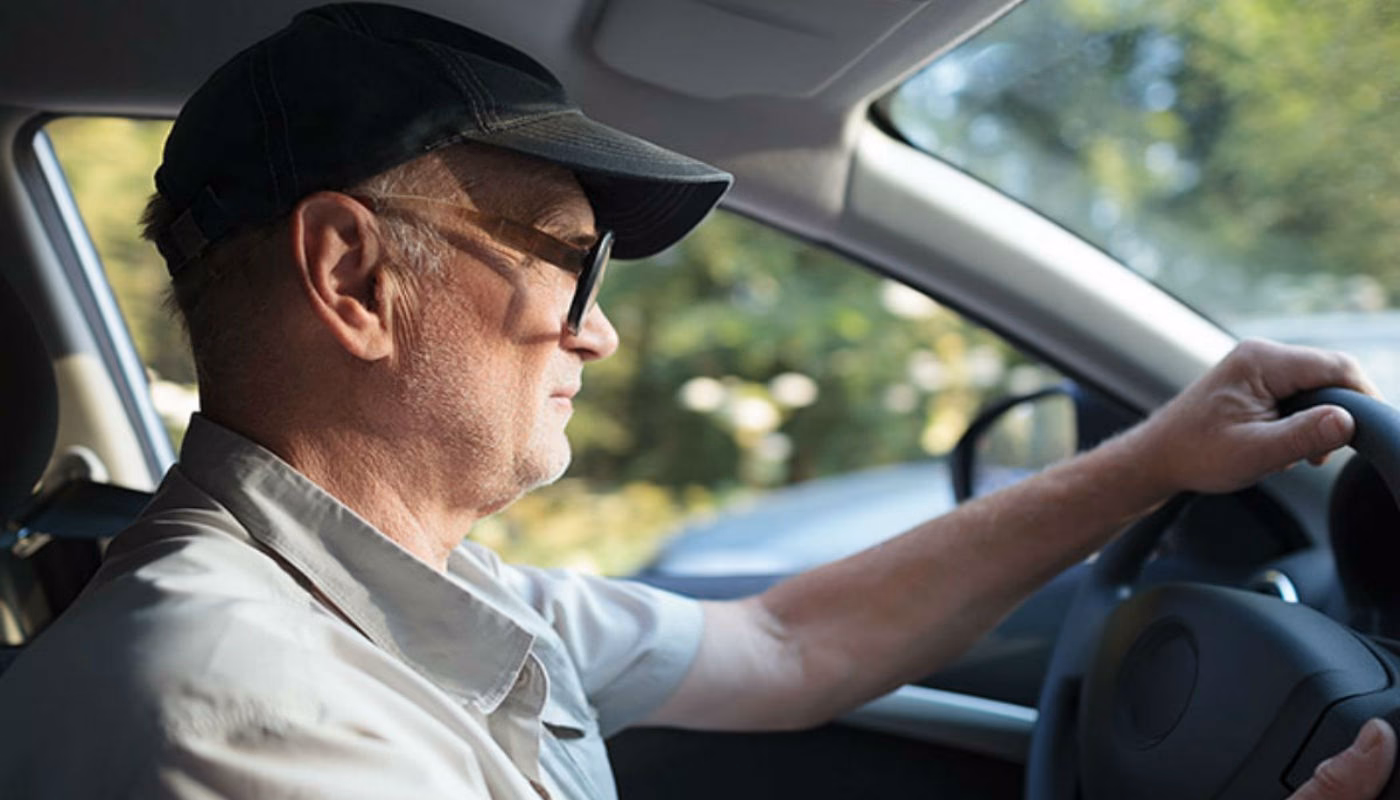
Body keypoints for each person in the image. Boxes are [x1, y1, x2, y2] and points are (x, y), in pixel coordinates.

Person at [0, 3, 1393, 798]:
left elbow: (787, 643)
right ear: (353, 276)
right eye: (570, 256)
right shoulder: (227, 711)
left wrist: (1153, 458)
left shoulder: (419, 599)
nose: (598, 332)